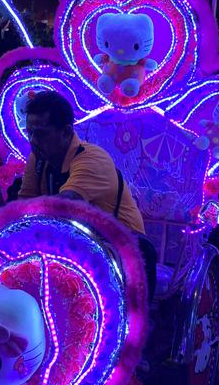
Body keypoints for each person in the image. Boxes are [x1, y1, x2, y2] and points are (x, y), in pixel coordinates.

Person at [17, 90, 157, 297]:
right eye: (29, 133)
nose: (33, 141)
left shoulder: (91, 159)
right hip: (81, 245)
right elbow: (23, 205)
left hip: (123, 249)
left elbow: (64, 205)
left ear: (65, 132)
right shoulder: (38, 158)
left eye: (41, 134)